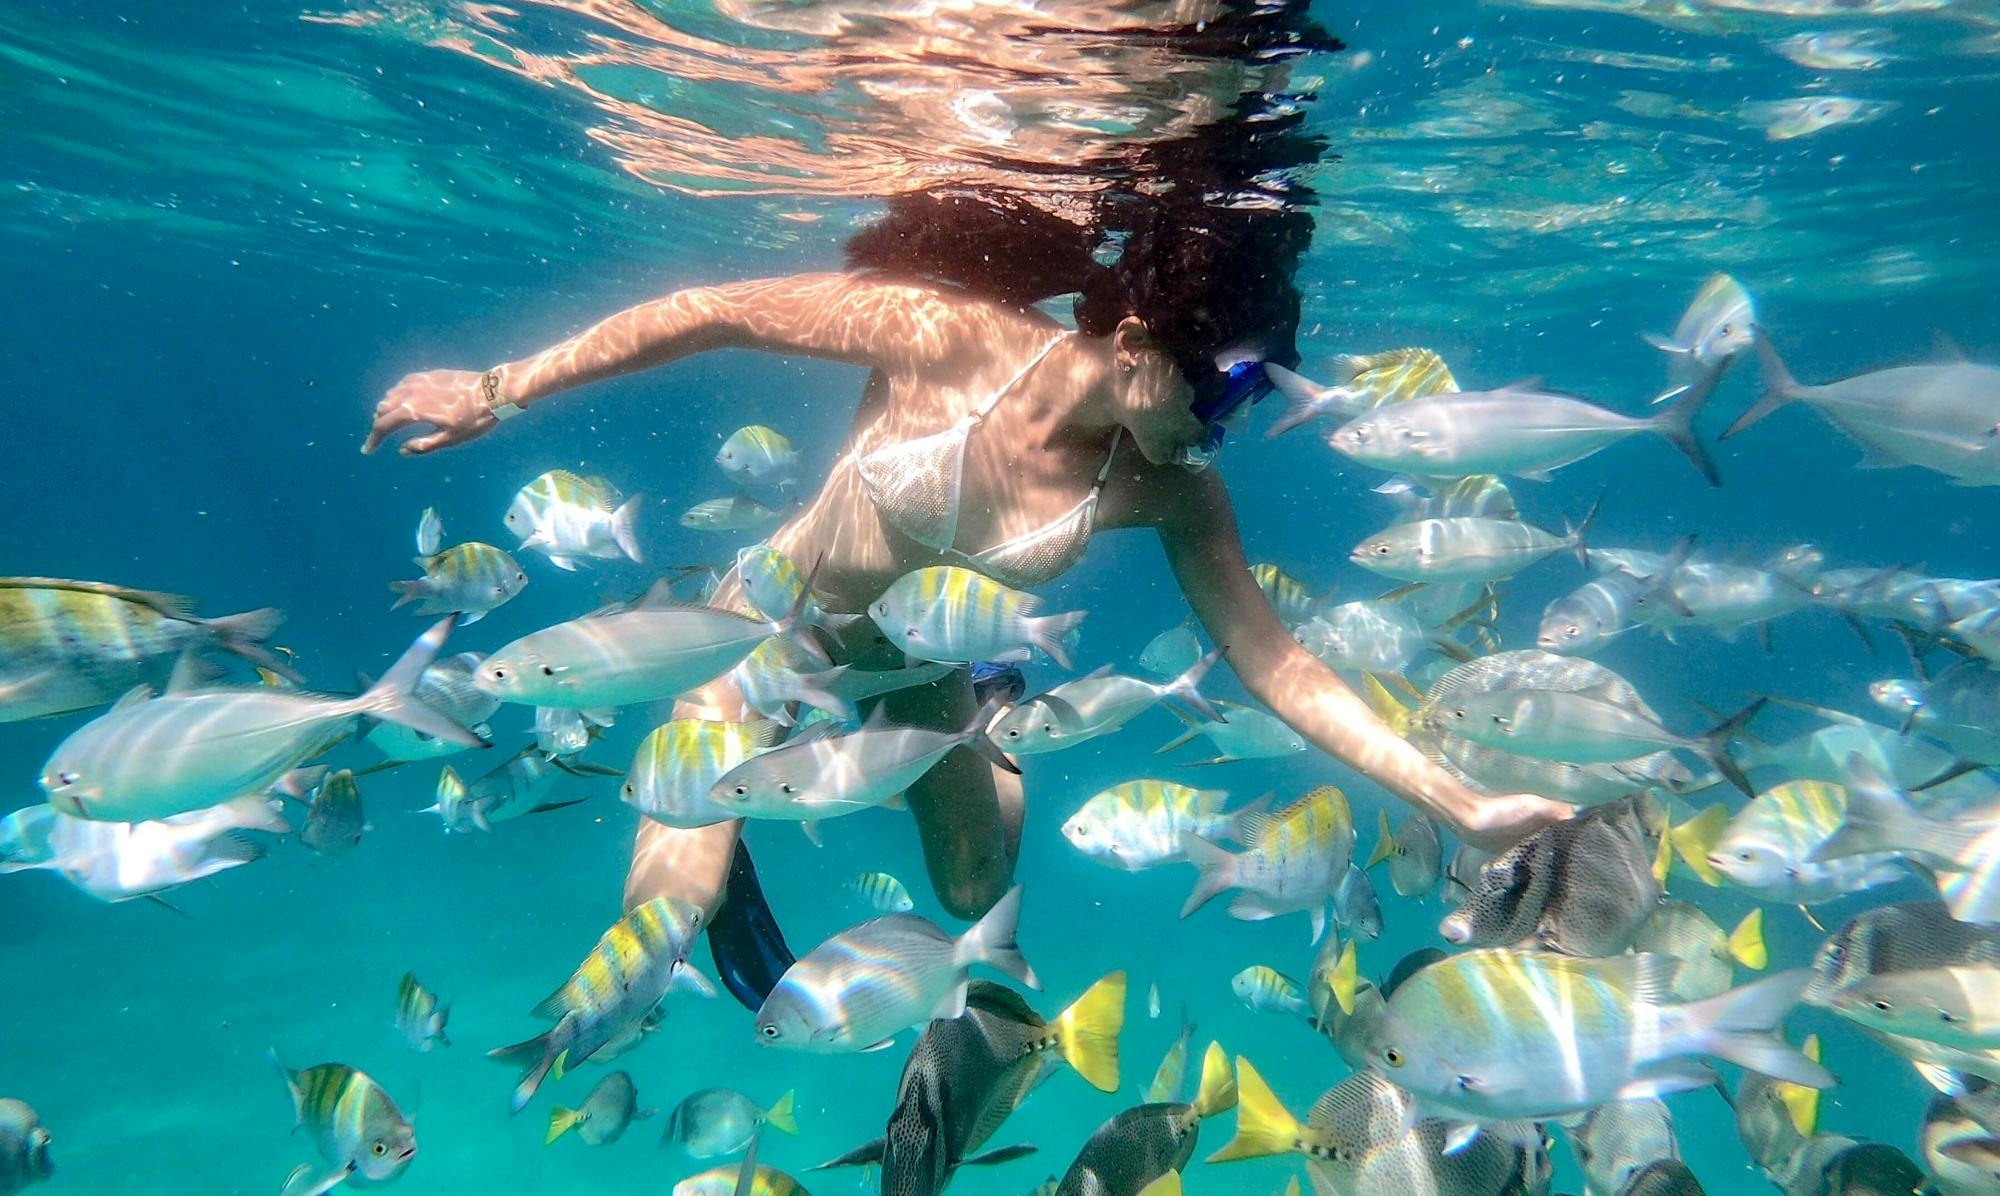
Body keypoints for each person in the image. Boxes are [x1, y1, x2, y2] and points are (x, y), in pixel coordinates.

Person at [362, 191, 1571, 978]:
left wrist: (1460, 803)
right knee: (670, 897)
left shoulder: (1172, 486)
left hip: (924, 667)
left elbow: (1276, 661)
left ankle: (984, 719)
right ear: (1141, 339)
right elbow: (714, 309)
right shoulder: (950, 336)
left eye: (1251, 402)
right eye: (1217, 392)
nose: (1220, 430)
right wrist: (500, 387)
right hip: (759, 626)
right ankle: (702, 891)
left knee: (970, 889)